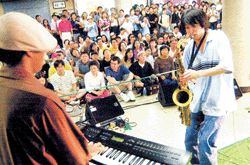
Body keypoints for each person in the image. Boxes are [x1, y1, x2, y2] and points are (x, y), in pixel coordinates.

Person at [0, 12, 106, 165]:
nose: (44, 55)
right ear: (28, 50)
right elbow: (75, 160)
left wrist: (83, 150)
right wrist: (82, 153)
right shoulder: (42, 99)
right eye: (41, 49)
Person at [180, 9, 237, 165]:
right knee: (189, 140)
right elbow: (190, 77)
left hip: (218, 100)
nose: (190, 31)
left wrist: (198, 74)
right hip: (197, 101)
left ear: (203, 24)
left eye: (193, 26)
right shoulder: (189, 48)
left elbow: (226, 66)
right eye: (187, 28)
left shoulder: (219, 38)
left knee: (205, 142)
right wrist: (186, 80)